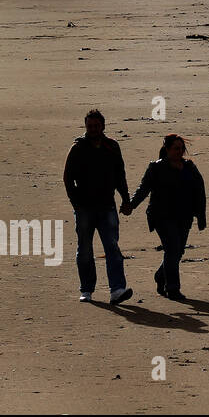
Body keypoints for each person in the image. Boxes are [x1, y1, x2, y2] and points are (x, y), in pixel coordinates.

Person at [63, 110, 133, 304]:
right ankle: (86, 289)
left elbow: (120, 176)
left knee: (113, 249)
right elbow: (68, 178)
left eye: (96, 126)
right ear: (86, 127)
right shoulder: (77, 148)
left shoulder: (112, 146)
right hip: (84, 209)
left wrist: (126, 200)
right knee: (85, 250)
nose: (93, 129)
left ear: (103, 126)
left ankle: (117, 289)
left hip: (107, 207)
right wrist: (76, 204)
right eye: (89, 126)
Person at [126, 134, 206, 301]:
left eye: (181, 148)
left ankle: (160, 276)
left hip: (184, 217)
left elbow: (200, 192)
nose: (179, 152)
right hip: (161, 216)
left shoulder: (190, 167)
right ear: (167, 149)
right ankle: (173, 289)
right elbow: (143, 189)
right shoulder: (156, 168)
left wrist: (200, 216)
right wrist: (131, 205)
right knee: (172, 249)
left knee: (178, 251)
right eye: (176, 148)